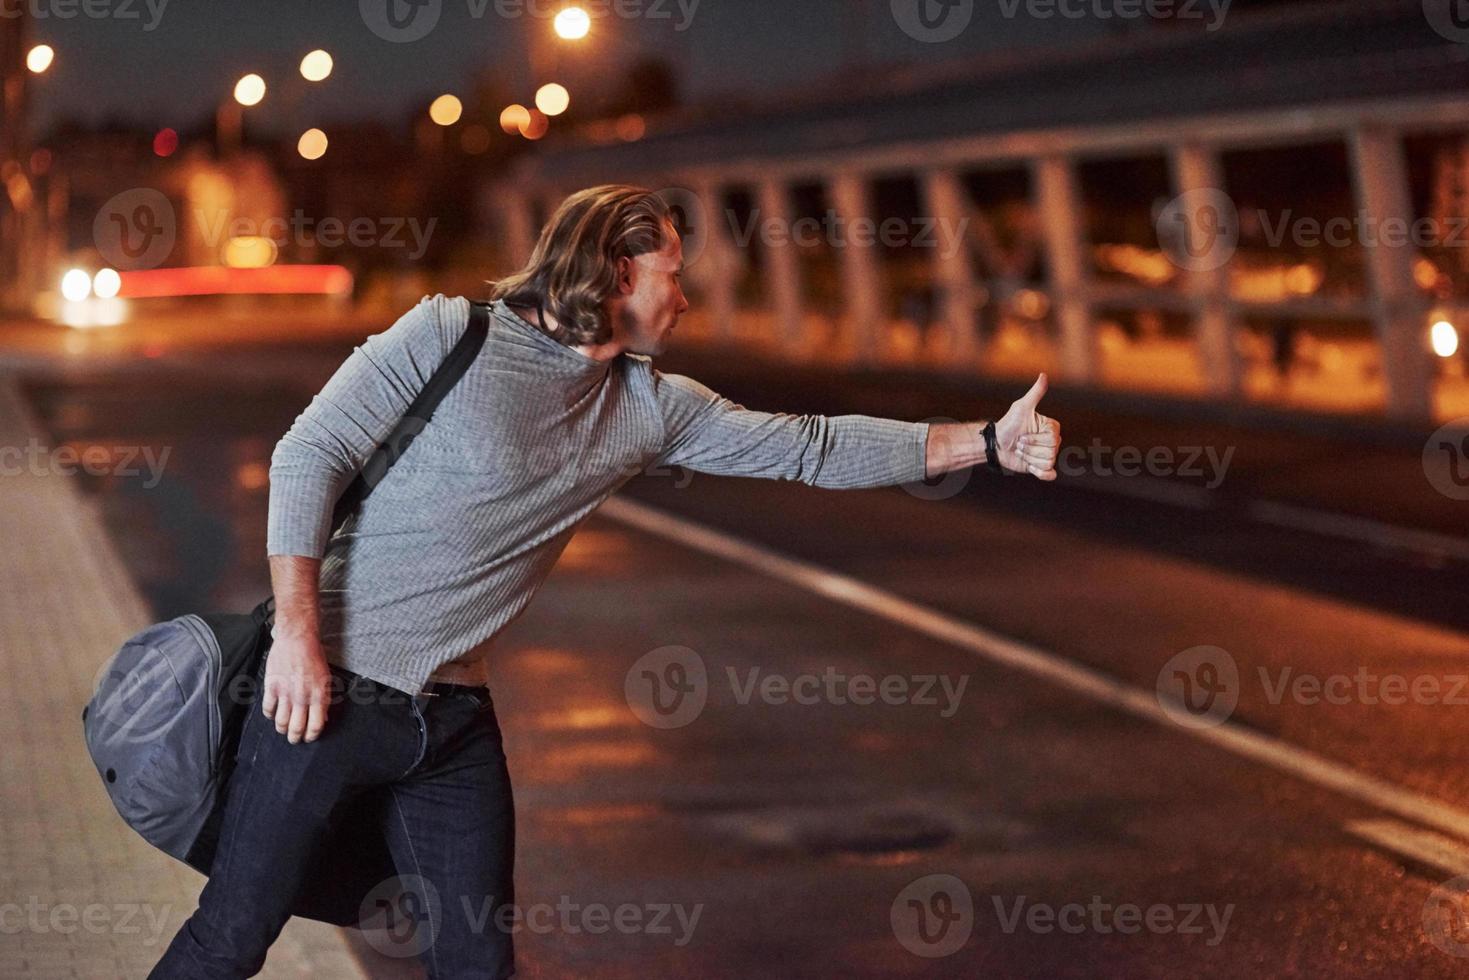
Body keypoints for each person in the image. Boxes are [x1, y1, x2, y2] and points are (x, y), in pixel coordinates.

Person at [150, 184, 1061, 979]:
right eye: (674, 270)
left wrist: (983, 442)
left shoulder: (648, 406)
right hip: (328, 694)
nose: (688, 293)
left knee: (477, 964)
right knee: (233, 937)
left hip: (455, 726)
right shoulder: (448, 334)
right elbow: (310, 452)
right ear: (618, 273)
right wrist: (299, 639)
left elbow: (808, 446)